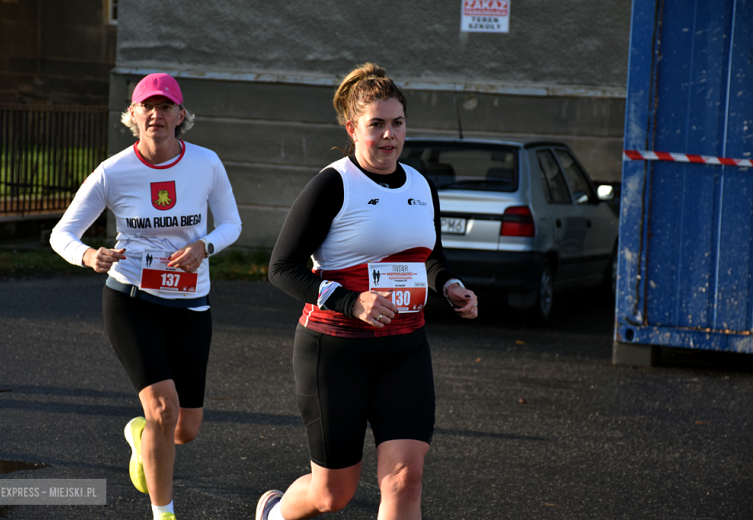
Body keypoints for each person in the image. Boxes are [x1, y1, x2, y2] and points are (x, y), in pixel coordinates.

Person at [261, 63, 478, 520]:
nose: (388, 135)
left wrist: (450, 284)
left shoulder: (421, 184)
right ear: (352, 129)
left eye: (397, 123)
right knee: (332, 495)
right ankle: (275, 514)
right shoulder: (333, 183)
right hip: (335, 350)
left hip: (405, 350)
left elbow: (430, 255)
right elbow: (281, 268)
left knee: (405, 479)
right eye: (376, 124)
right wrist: (350, 300)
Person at [50, 73, 242, 520]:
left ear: (180, 115)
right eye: (147, 106)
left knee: (184, 428)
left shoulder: (206, 163)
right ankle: (163, 513)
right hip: (132, 299)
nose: (156, 114)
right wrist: (88, 255)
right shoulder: (113, 171)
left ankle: (141, 436)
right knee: (162, 408)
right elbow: (63, 234)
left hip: (191, 303)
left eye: (165, 106)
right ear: (132, 115)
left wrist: (205, 246)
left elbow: (232, 224)